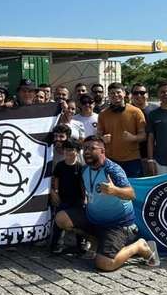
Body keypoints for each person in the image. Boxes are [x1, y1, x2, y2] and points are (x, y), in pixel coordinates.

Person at [54, 136, 159, 272]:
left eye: (92, 148)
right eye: (85, 148)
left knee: (104, 264)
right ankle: (97, 241)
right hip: (94, 219)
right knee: (61, 218)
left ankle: (138, 246)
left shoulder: (113, 169)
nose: (87, 151)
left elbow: (131, 194)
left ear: (102, 151)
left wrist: (114, 190)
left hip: (117, 225)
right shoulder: (85, 170)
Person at [96, 83, 146, 178]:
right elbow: (98, 135)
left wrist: (133, 138)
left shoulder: (136, 112)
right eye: (112, 93)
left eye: (118, 92)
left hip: (132, 160)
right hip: (111, 159)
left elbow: (143, 136)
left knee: (134, 189)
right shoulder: (103, 114)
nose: (115, 95)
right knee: (114, 190)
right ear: (108, 95)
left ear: (124, 93)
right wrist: (102, 139)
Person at [50, 139, 85, 254]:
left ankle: (81, 245)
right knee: (58, 223)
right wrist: (55, 192)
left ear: (77, 152)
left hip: (77, 199)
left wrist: (85, 198)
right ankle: (55, 244)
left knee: (79, 223)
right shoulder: (60, 166)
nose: (68, 152)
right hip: (63, 199)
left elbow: (83, 185)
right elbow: (56, 180)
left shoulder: (81, 167)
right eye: (65, 150)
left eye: (71, 150)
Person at [130, 84, 158, 175]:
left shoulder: (156, 110)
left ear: (147, 94)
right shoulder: (126, 110)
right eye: (135, 93)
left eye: (142, 93)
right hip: (133, 157)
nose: (139, 95)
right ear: (131, 95)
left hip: (155, 156)